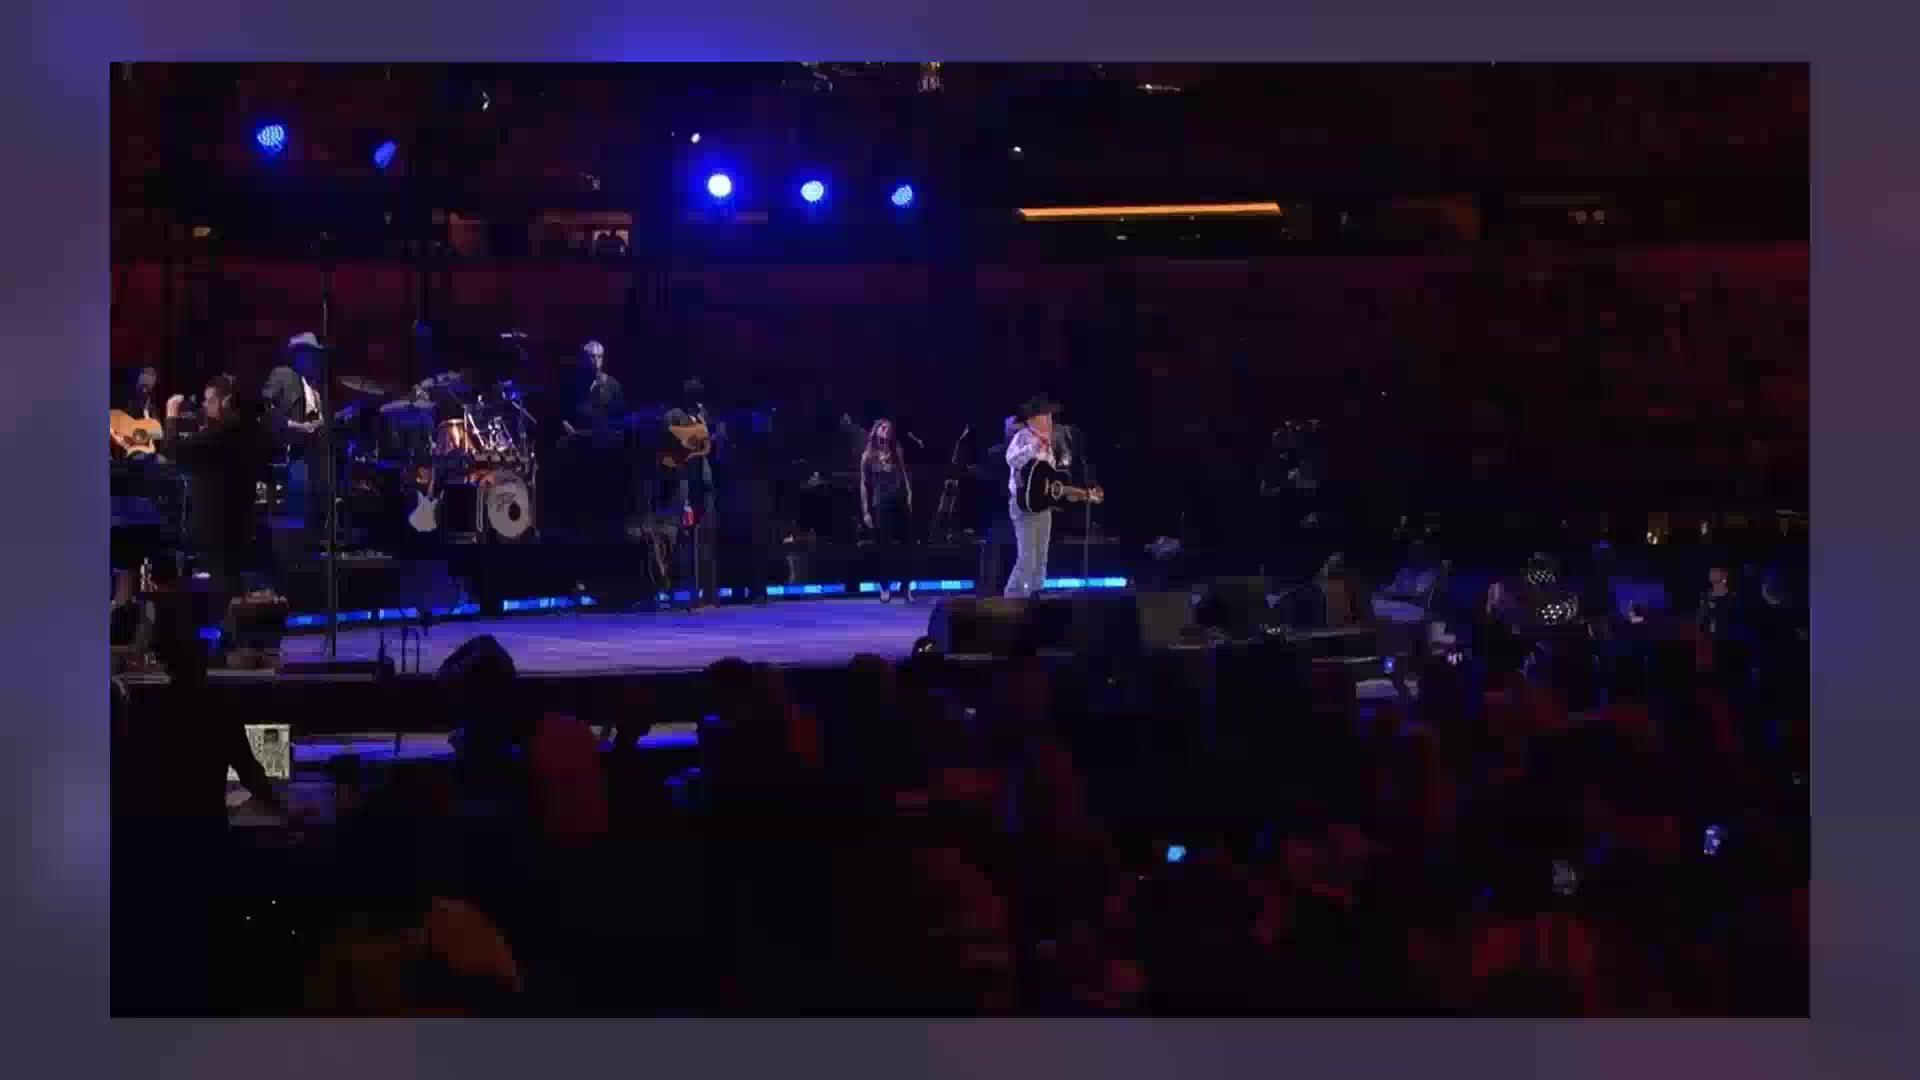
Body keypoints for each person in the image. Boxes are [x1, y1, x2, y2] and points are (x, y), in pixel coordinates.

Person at [162, 374, 268, 608]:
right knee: (230, 581)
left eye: (209, 400)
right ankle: (237, 625)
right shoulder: (247, 430)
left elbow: (173, 449)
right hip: (238, 523)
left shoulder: (223, 433)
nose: (204, 405)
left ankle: (234, 627)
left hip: (216, 526)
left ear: (226, 401)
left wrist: (171, 414)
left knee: (226, 588)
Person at [261, 332, 330, 540]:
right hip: (293, 450)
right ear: (298, 355)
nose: (314, 359)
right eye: (310, 354)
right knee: (302, 500)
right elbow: (265, 409)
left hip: (316, 451)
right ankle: (300, 540)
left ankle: (317, 537)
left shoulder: (315, 384)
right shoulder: (283, 375)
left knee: (321, 494)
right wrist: (297, 427)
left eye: (316, 355)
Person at [1004, 395, 1071, 599]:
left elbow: (1050, 472)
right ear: (1034, 418)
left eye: (1050, 416)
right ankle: (1014, 596)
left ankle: (1036, 594)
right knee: (1027, 555)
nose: (1050, 420)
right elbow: (1012, 459)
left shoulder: (1050, 441)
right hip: (1023, 504)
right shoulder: (1023, 436)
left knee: (1041, 554)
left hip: (1042, 504)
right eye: (1046, 416)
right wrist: (1033, 446)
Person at [860, 418, 916, 603]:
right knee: (885, 547)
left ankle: (905, 586)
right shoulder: (868, 455)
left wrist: (909, 494)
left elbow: (904, 474)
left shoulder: (896, 450)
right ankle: (885, 586)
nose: (886, 430)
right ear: (876, 430)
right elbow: (864, 484)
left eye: (889, 428)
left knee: (907, 545)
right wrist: (865, 511)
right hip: (881, 503)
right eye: (883, 427)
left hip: (899, 501)